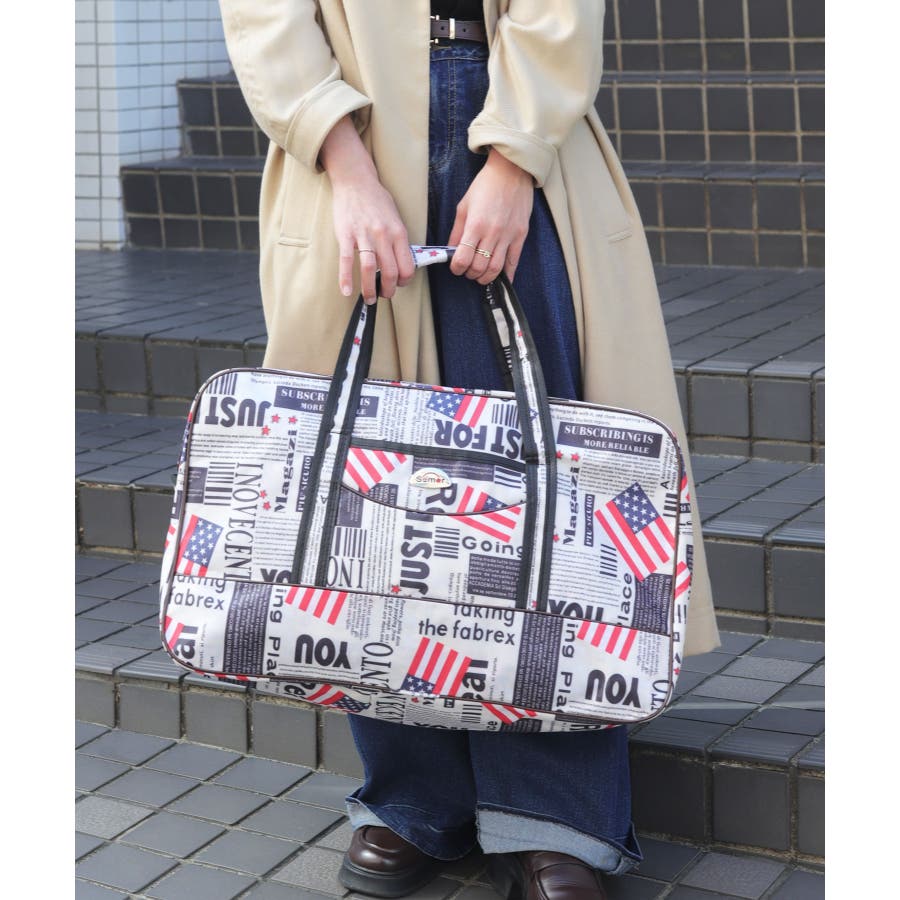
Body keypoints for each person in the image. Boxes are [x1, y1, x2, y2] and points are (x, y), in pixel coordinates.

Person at [218, 3, 721, 899]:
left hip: (515, 110)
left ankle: (557, 812)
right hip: (350, 129)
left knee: (554, 494)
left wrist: (515, 159)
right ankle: (413, 795)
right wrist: (346, 167)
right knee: (368, 505)